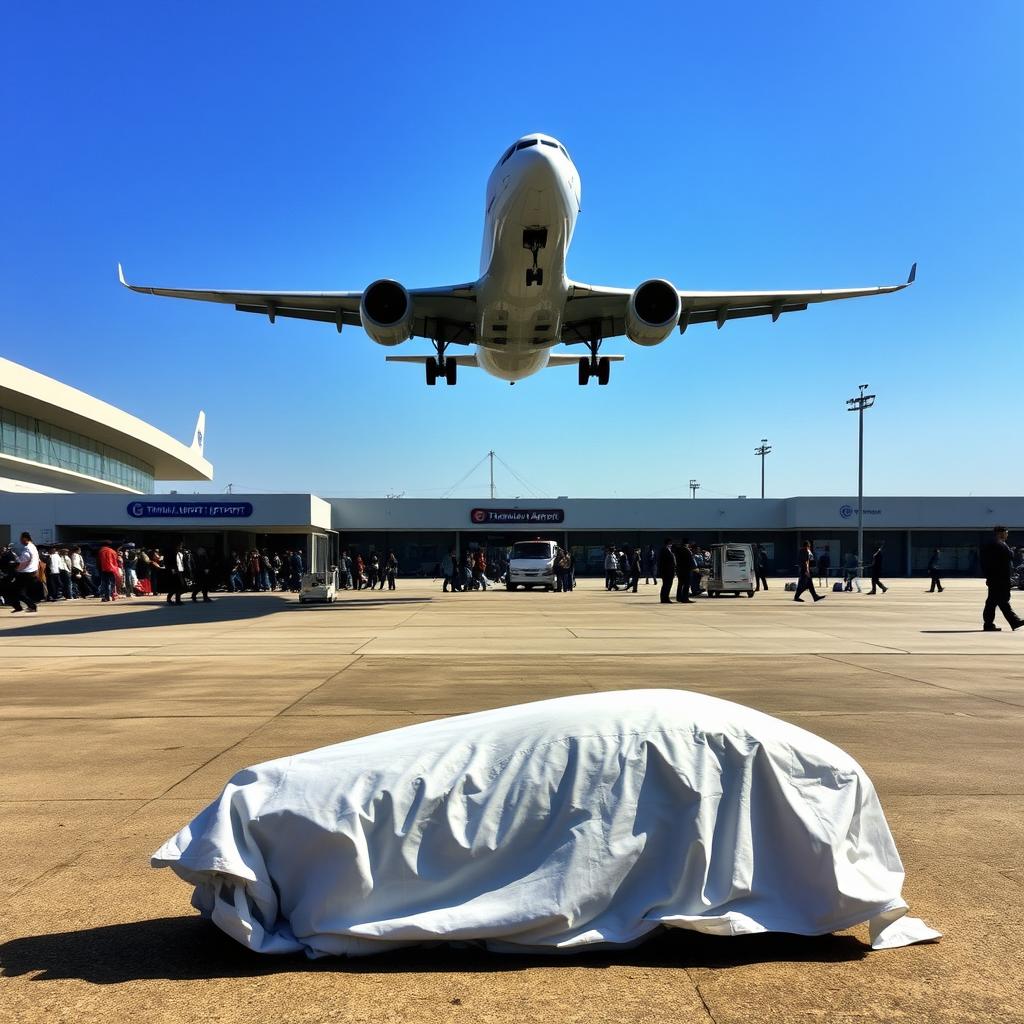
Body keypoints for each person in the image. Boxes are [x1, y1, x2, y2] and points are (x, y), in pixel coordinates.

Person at [980, 526, 1023, 632]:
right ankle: (1014, 621)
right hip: (1001, 579)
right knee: (1002, 601)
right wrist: (1011, 550)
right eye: (1006, 533)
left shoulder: (990, 544)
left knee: (992, 602)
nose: (1007, 535)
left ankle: (989, 624)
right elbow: (1009, 556)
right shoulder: (999, 544)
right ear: (1000, 533)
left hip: (994, 578)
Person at [10, 532, 40, 613]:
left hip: (25, 572)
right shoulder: (33, 547)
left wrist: (15, 559)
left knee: (16, 591)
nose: (20, 541)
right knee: (19, 591)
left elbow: (23, 560)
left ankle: (31, 606)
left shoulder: (27, 548)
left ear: (25, 538)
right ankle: (24, 607)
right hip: (32, 571)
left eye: (21, 539)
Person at [674, 539, 695, 603]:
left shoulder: (679, 550)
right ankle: (685, 598)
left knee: (680, 584)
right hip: (686, 570)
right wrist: (694, 567)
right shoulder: (686, 550)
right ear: (687, 544)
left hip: (680, 570)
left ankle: (679, 597)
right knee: (686, 584)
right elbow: (689, 560)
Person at [657, 538, 676, 604]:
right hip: (666, 571)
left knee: (667, 585)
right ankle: (664, 598)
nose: (672, 544)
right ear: (668, 543)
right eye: (671, 542)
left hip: (670, 571)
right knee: (666, 585)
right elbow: (662, 562)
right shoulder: (664, 550)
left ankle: (665, 598)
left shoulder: (669, 550)